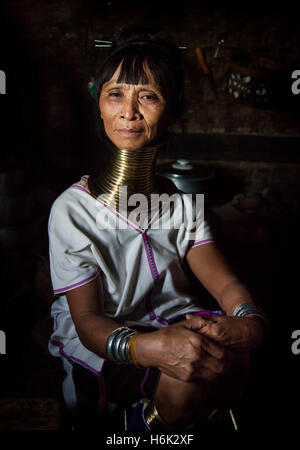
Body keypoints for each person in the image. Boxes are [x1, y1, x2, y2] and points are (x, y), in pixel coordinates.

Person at [47, 27, 268, 431]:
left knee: (232, 360)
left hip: (175, 323)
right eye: (116, 94)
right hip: (104, 339)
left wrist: (249, 322)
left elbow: (225, 285)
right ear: (99, 104)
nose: (128, 111)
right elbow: (88, 322)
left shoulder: (183, 205)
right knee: (189, 376)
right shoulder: (72, 210)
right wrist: (148, 347)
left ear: (173, 113)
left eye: (147, 96)